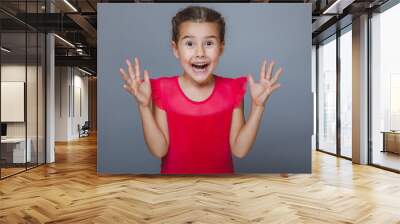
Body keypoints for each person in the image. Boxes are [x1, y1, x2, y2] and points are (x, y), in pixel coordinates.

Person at [119, 6, 283, 174]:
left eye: (209, 43)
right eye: (190, 43)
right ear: (175, 49)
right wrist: (144, 107)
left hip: (220, 189)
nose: (200, 53)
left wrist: (258, 107)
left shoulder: (232, 89)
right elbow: (159, 150)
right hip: (175, 189)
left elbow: (239, 150)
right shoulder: (162, 89)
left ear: (221, 48)